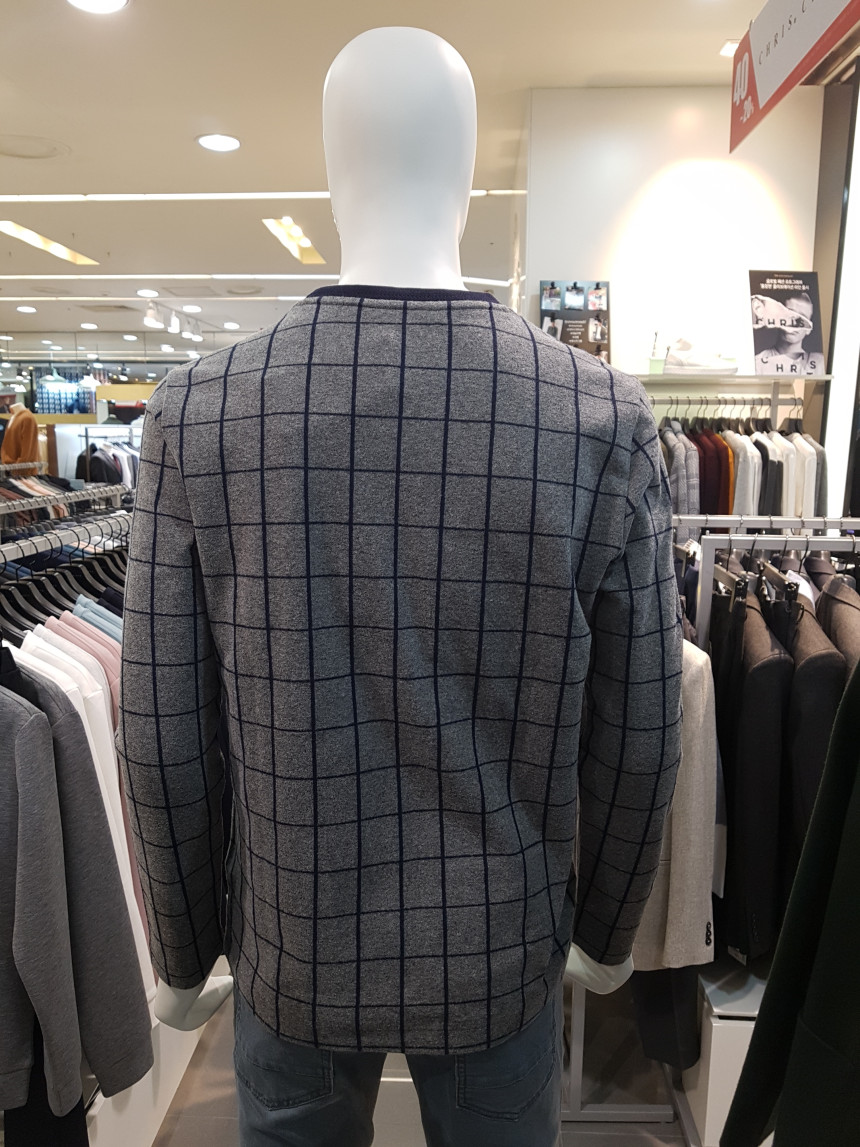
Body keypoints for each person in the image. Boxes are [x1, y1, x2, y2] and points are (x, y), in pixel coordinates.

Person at [754, 291, 824, 376]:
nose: (794, 323)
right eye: (789, 314)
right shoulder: (756, 365)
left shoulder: (821, 364)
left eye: (802, 318)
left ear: (809, 329)